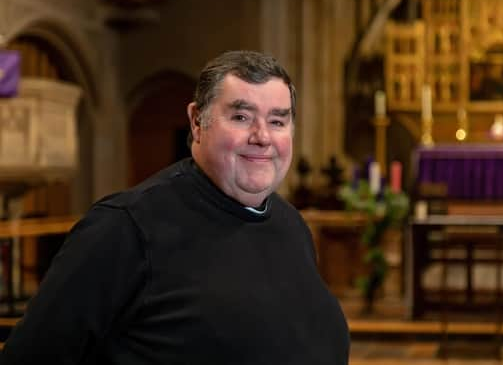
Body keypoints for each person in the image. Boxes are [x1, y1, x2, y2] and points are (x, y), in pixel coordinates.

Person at [0, 50, 350, 364]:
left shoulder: (291, 225)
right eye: (241, 117)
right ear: (197, 121)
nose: (262, 136)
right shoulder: (125, 228)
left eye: (277, 121)